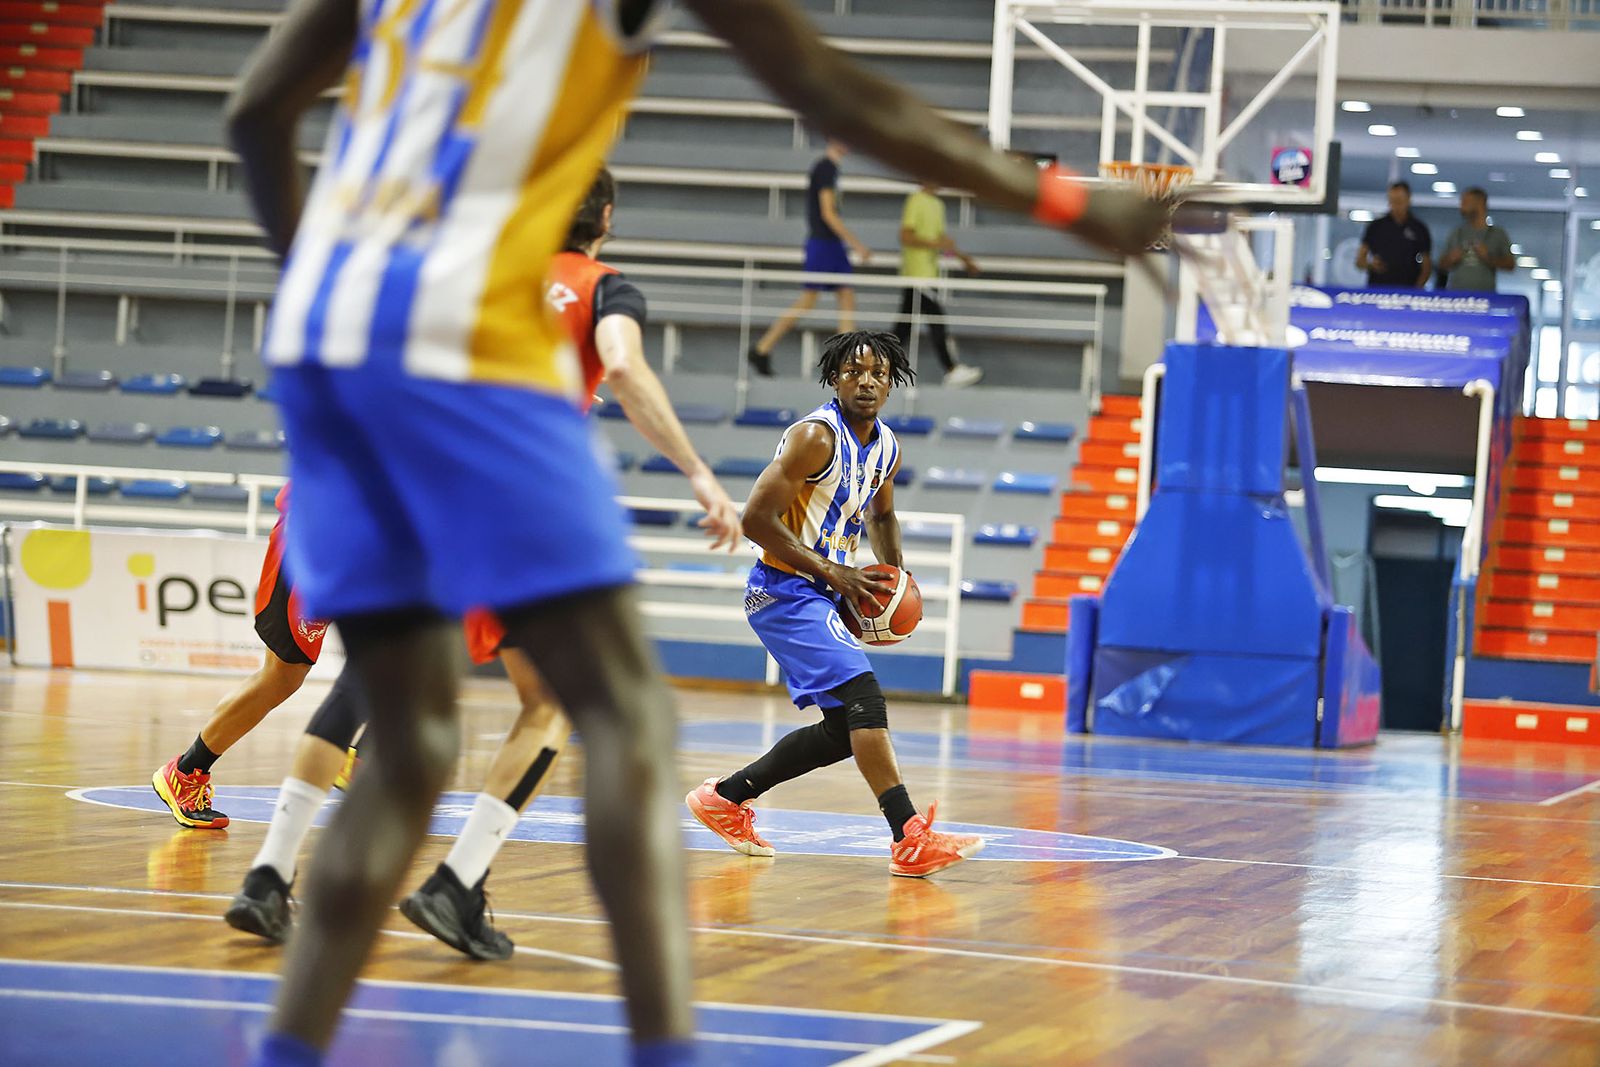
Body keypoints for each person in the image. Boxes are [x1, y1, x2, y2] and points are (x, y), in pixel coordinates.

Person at [226, 0, 1164, 1061]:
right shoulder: (634, 285)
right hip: (472, 351)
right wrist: (1062, 199)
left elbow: (256, 113)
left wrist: (334, 284)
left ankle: (290, 1038)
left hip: (322, 340)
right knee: (626, 718)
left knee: (407, 745)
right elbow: (837, 91)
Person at [223, 169, 743, 960]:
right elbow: (627, 369)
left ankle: (265, 877)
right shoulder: (606, 288)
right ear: (605, 221)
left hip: (407, 489)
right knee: (550, 701)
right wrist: (699, 473)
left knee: (361, 686)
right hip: (505, 512)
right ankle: (457, 883)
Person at [687, 330, 983, 877]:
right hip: (781, 590)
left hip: (822, 590)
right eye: (853, 371)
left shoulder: (887, 446)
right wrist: (833, 571)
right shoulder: (814, 438)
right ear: (834, 379)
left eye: (878, 374)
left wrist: (895, 578)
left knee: (842, 730)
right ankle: (909, 837)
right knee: (866, 697)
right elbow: (754, 520)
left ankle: (724, 799)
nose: (866, 382)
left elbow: (882, 515)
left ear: (893, 383)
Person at [150, 484, 337, 830]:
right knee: (282, 675)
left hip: (359, 545)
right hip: (318, 539)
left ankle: (356, 754)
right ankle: (186, 771)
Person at [747, 140, 872, 377]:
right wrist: (857, 244)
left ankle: (847, 359)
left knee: (846, 297)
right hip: (824, 243)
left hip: (832, 243)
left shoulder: (832, 169)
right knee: (809, 300)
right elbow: (827, 213)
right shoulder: (824, 168)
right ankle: (762, 348)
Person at [893, 182, 982, 386]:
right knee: (935, 320)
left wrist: (963, 258)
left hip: (929, 274)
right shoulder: (916, 200)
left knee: (903, 329)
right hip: (916, 274)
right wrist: (936, 245)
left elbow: (941, 240)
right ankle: (951, 368)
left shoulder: (937, 205)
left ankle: (875, 363)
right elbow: (906, 236)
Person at [1355, 181, 1431, 289]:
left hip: (1407, 288)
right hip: (1378, 288)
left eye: (1400, 200)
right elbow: (1360, 260)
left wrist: (1417, 290)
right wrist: (1371, 265)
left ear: (1408, 200)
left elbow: (1426, 265)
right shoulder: (1376, 226)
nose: (1396, 205)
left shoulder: (1419, 228)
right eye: (1393, 201)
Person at [1438, 187, 1515, 292]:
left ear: (1479, 203)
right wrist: (1451, 259)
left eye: (1465, 202)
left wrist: (1488, 258)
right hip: (1457, 296)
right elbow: (1441, 265)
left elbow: (1510, 265)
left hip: (1485, 297)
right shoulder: (1456, 233)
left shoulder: (1497, 234)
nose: (1461, 206)